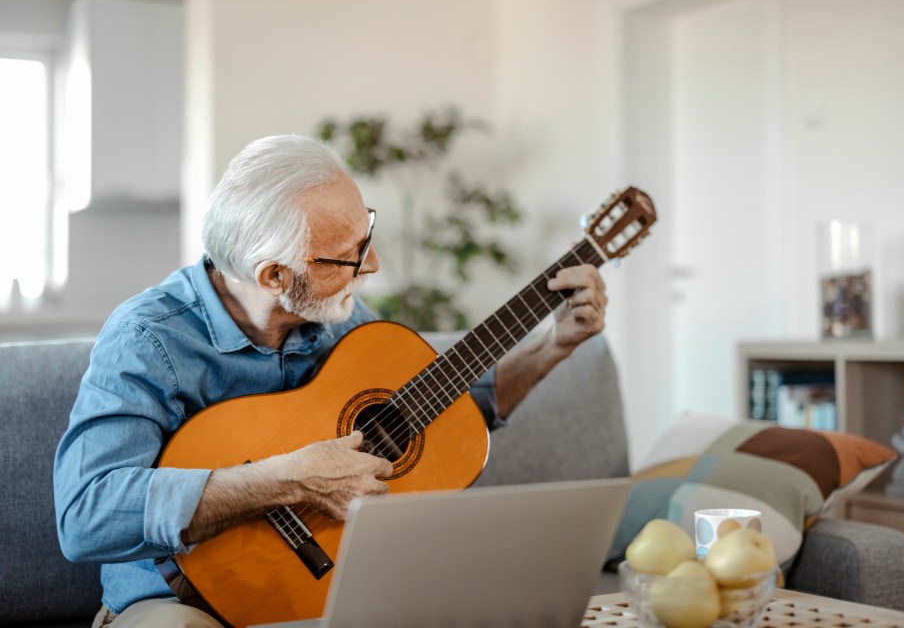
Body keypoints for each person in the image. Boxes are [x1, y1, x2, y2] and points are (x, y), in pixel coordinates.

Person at [53, 134, 608, 628]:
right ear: (274, 275)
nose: (374, 266)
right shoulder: (147, 339)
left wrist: (552, 346)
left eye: (367, 237)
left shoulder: (342, 320)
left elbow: (451, 416)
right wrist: (285, 480)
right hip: (179, 604)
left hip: (333, 590)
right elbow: (85, 517)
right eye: (350, 257)